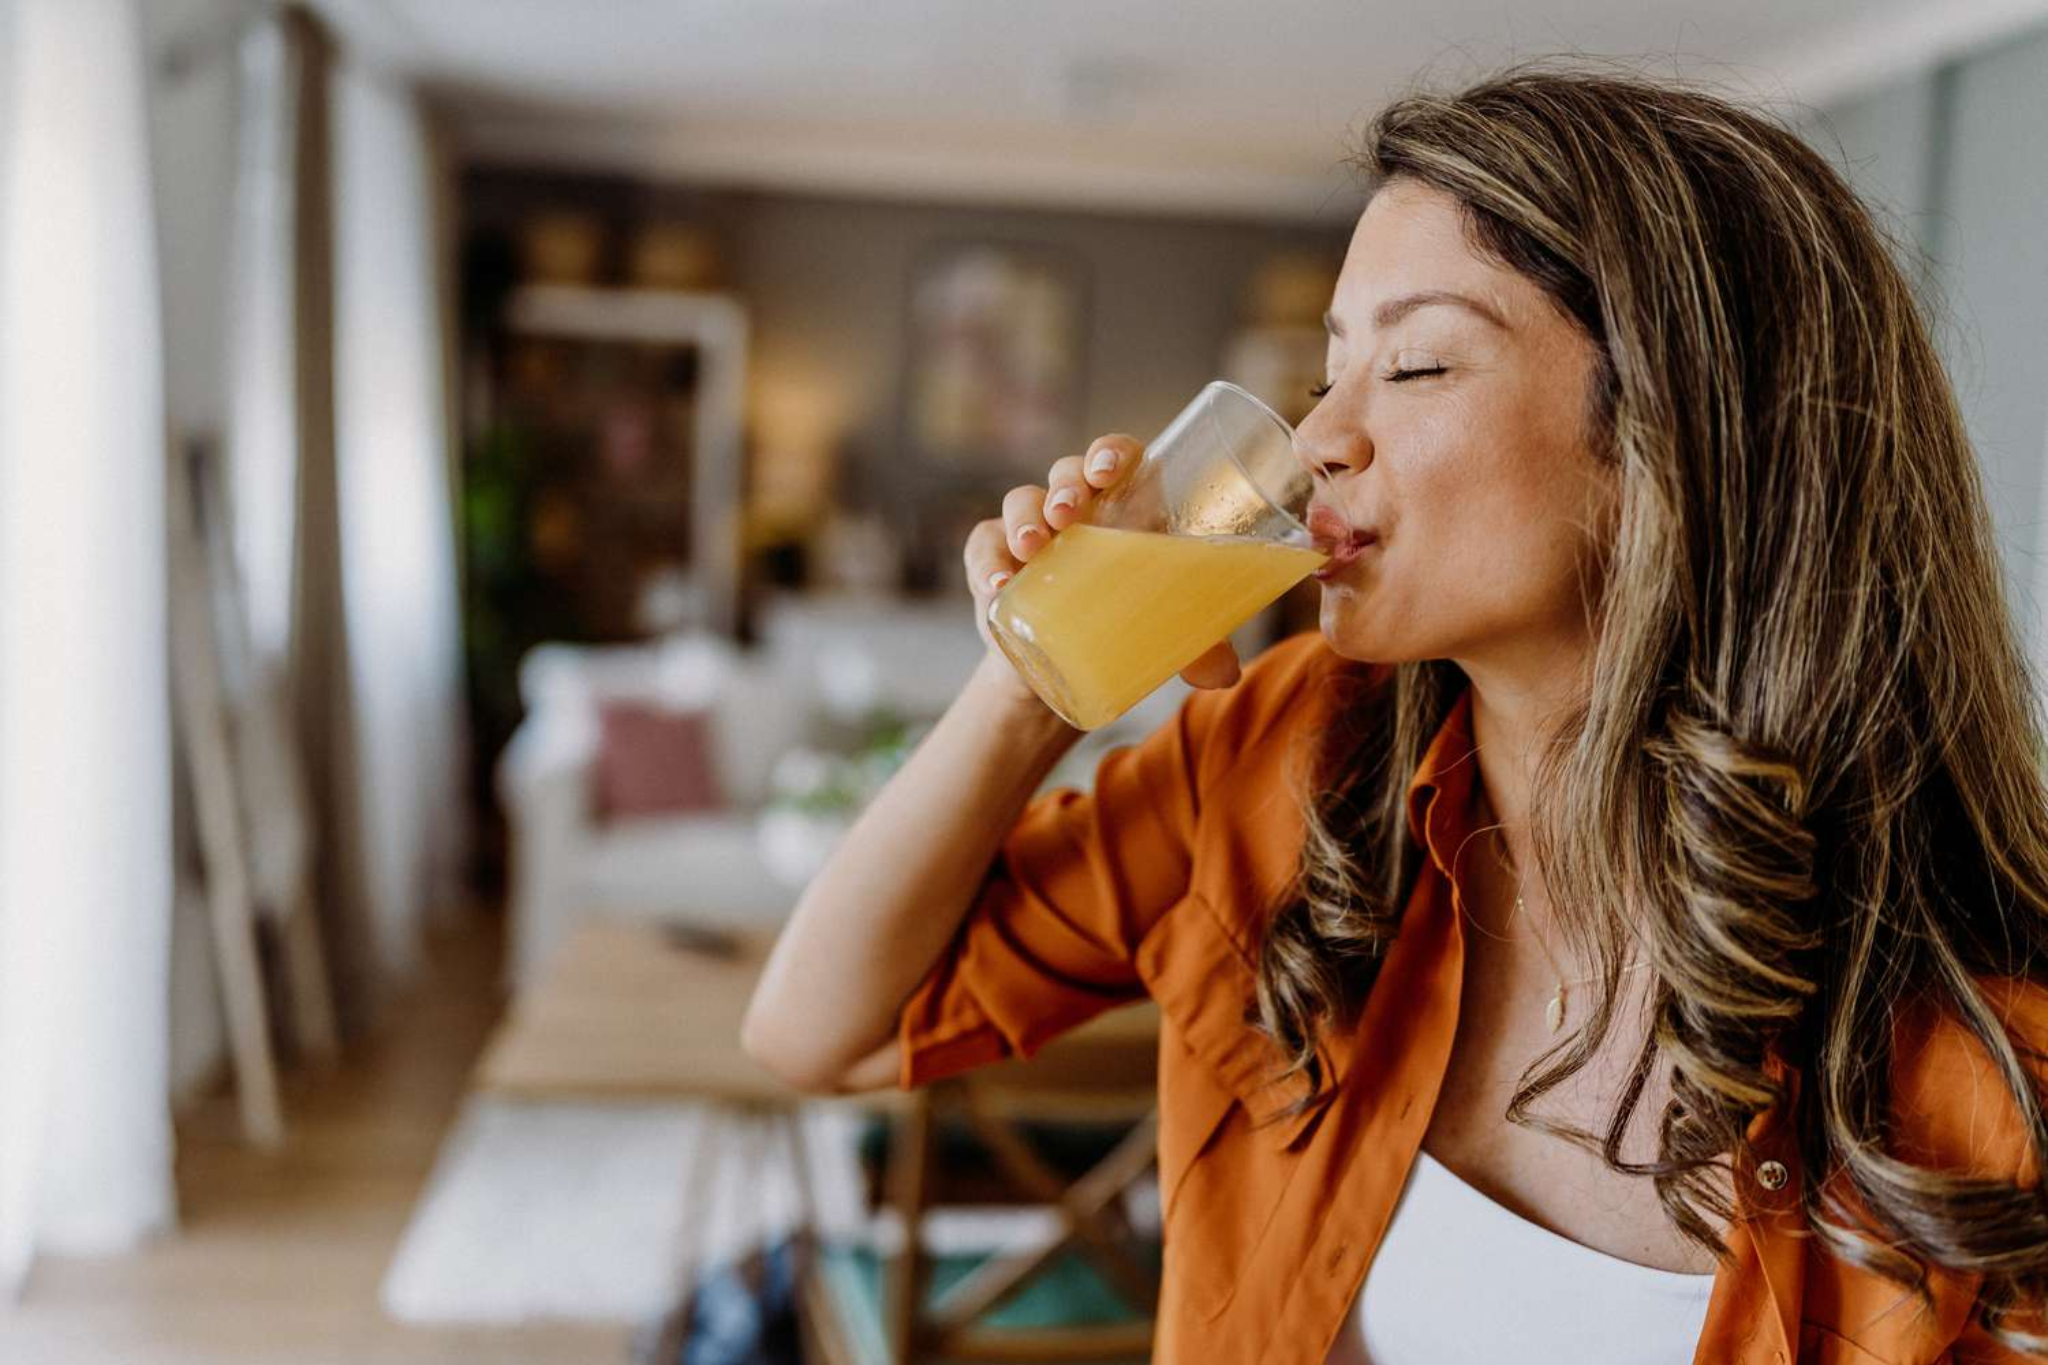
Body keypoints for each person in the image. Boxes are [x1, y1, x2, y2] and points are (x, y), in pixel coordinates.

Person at [742, 66, 2048, 1364]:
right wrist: (1030, 686)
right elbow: (821, 1032)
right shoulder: (1283, 758)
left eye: (1417, 363)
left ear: (1680, 428)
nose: (1318, 435)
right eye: (1330, 367)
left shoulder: (1992, 1061)